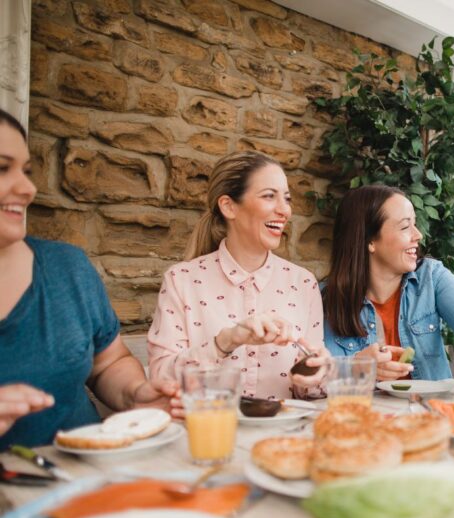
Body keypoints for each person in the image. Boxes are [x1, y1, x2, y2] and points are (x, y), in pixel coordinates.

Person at [0, 109, 178, 448]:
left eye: (26, 171)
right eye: (1, 168)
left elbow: (108, 363)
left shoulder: (68, 268)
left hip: (90, 476)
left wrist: (134, 394)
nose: (27, 189)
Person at [148, 151, 328, 400]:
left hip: (282, 435)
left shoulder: (303, 283)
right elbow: (160, 379)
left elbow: (310, 394)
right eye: (269, 196)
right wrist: (225, 342)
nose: (284, 210)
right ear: (229, 206)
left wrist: (317, 373)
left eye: (286, 199)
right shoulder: (181, 280)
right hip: (208, 432)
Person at [322, 185, 454, 394]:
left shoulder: (431, 277)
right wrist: (357, 366)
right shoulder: (326, 300)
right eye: (405, 227)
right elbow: (316, 384)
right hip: (365, 421)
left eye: (415, 224)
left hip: (431, 416)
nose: (418, 235)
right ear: (370, 240)